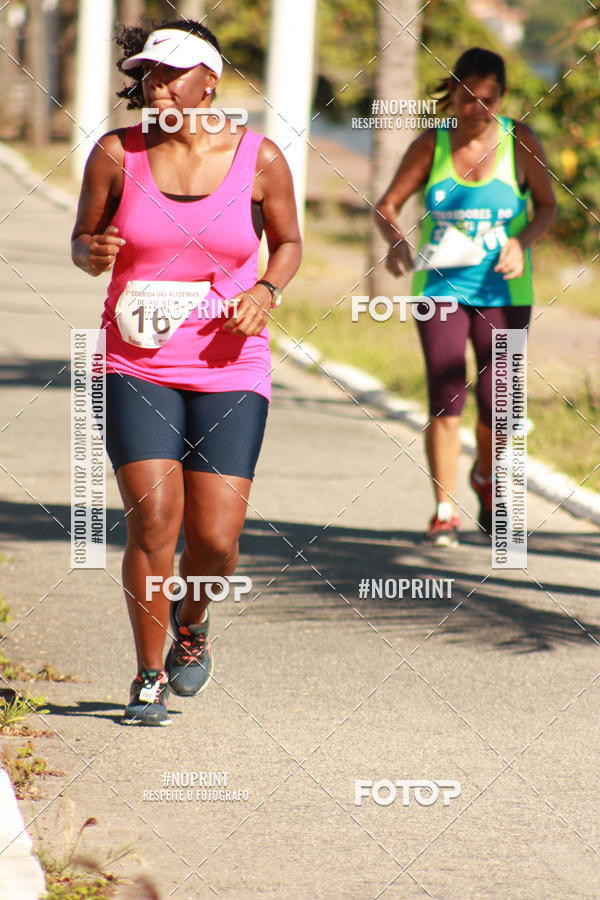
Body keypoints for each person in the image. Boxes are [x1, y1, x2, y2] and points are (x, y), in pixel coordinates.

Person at [71, 19, 302, 724]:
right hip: (135, 361)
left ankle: (192, 626)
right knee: (155, 520)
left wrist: (265, 292)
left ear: (211, 80)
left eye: (172, 73)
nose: (158, 85)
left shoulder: (260, 159)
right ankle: (146, 677)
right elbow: (82, 242)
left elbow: (289, 243)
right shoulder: (116, 153)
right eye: (149, 74)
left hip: (231, 366)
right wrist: (94, 249)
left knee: (217, 539)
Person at [374, 47, 556, 547]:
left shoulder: (521, 142)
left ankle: (487, 479)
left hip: (505, 291)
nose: (478, 110)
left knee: (500, 407)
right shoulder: (430, 145)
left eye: (489, 99)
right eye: (468, 97)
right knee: (445, 399)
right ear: (451, 92)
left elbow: (547, 206)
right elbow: (388, 204)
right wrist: (395, 238)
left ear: (503, 96)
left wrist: (522, 242)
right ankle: (443, 510)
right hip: (440, 290)